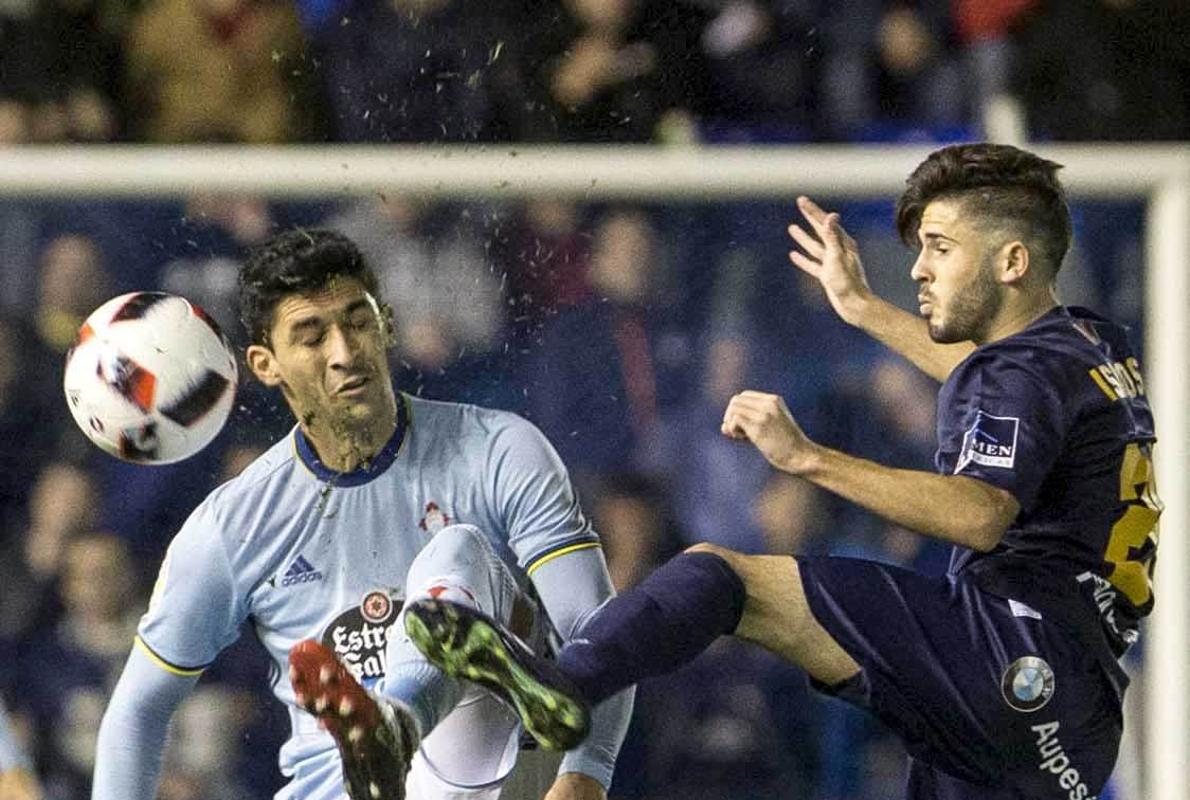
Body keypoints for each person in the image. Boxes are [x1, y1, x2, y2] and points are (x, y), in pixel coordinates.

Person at [403, 143, 1160, 799]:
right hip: (1072, 712)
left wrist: (808, 459)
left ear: (1012, 262)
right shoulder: (1092, 345)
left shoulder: (1019, 375)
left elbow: (979, 514)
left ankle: (558, 688)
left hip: (1004, 653)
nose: (919, 270)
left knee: (721, 579)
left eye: (939, 247)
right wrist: (862, 309)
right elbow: (981, 371)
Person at [91, 230, 632, 800]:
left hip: (498, 777)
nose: (345, 352)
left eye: (357, 321)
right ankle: (387, 735)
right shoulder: (230, 527)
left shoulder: (499, 449)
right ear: (265, 364)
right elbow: (136, 714)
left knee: (457, 553)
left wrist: (585, 776)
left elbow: (598, 636)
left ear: (387, 325)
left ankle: (394, 722)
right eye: (311, 336)